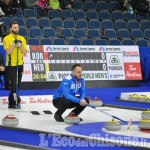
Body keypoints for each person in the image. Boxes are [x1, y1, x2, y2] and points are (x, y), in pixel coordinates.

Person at [3, 21, 28, 109]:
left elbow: (25, 52)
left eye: (17, 27)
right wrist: (14, 44)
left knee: (17, 85)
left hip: (20, 64)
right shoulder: (6, 38)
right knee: (14, 85)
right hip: (11, 65)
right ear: (10, 29)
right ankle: (17, 101)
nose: (17, 29)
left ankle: (11, 103)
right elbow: (8, 51)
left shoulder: (22, 38)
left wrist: (20, 45)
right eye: (14, 27)